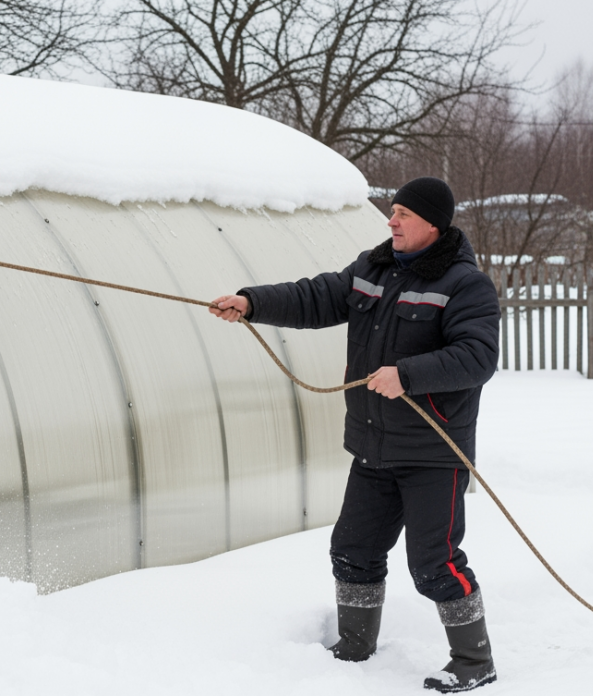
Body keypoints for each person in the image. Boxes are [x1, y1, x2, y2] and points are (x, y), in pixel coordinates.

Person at [209, 177, 500, 693]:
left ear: (434, 224)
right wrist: (252, 303)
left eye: (404, 214)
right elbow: (316, 297)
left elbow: (477, 358)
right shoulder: (375, 267)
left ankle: (474, 659)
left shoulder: (465, 285)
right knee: (353, 549)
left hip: (434, 453)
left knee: (434, 563)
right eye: (393, 211)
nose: (392, 221)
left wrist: (406, 374)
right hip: (373, 446)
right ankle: (355, 646)